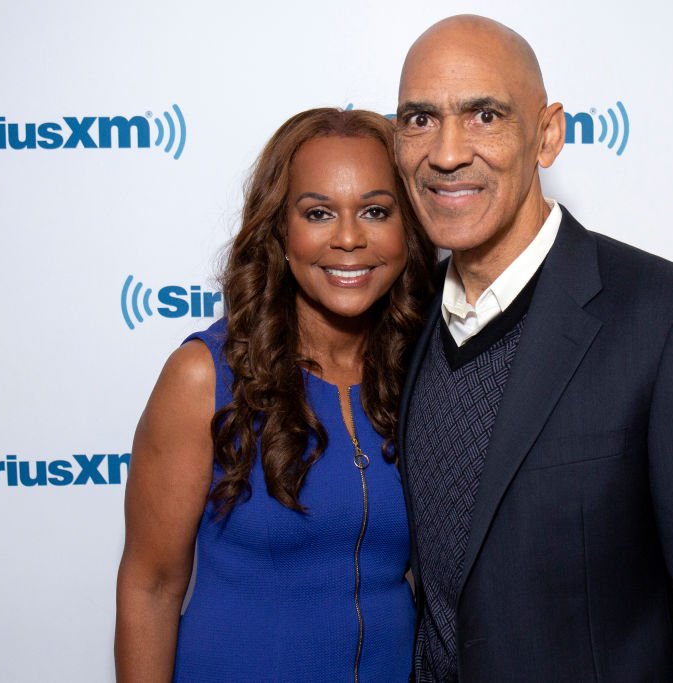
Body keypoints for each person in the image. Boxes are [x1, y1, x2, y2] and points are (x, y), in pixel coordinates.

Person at [394, 15, 673, 682]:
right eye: (420, 119)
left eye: (484, 115)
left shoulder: (669, 322)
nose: (448, 151)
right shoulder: (405, 319)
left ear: (548, 136)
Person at [114, 108, 434, 682]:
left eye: (375, 211)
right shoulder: (204, 376)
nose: (348, 238)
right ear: (279, 232)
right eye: (317, 213)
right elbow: (151, 587)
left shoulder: (425, 372)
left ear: (407, 229)